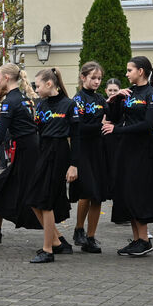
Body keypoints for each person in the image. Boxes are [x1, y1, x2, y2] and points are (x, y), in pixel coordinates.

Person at [102, 56, 153, 257]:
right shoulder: (128, 93)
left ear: (140, 71)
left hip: (142, 152)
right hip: (125, 150)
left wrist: (118, 130)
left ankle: (145, 240)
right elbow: (113, 118)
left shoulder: (152, 93)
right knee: (126, 193)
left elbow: (148, 124)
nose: (126, 73)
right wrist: (113, 101)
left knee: (139, 194)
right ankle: (137, 240)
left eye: (129, 70)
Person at [0, 63, 39, 244]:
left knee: (34, 195)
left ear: (6, 78)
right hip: (29, 148)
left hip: (27, 151)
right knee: (3, 187)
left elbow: (0, 133)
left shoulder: (9, 102)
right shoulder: (24, 98)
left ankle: (57, 240)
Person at [25, 68, 79, 263]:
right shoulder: (40, 105)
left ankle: (47, 250)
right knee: (33, 199)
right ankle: (56, 241)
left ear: (49, 84)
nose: (36, 89)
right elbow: (37, 130)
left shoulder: (69, 105)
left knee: (45, 201)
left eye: (38, 85)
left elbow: (77, 137)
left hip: (59, 151)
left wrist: (74, 165)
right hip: (43, 151)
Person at [69, 61, 107, 253]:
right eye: (93, 78)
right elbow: (79, 128)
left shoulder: (101, 99)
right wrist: (99, 126)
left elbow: (110, 119)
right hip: (83, 150)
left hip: (98, 150)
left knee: (98, 195)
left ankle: (91, 236)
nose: (97, 81)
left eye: (99, 78)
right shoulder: (78, 99)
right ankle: (78, 229)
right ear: (83, 77)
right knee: (87, 191)